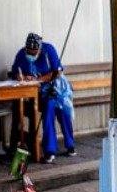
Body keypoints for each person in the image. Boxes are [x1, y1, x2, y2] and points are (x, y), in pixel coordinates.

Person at [10, 33, 76, 163]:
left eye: (34, 53)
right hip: (40, 94)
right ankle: (50, 150)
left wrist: (38, 79)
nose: (31, 55)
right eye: (29, 52)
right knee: (49, 106)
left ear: (39, 50)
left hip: (57, 89)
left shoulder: (48, 50)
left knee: (63, 112)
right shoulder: (21, 54)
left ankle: (70, 145)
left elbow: (57, 72)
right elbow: (15, 71)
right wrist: (19, 76)